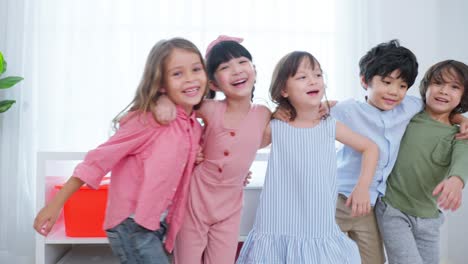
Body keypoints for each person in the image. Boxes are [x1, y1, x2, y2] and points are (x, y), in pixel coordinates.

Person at [274, 40, 468, 264]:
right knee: (318, 253)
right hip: (337, 199)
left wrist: (460, 118)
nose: (394, 92)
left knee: (374, 260)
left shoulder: (411, 107)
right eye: (386, 82)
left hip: (371, 206)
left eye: (403, 86)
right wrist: (282, 110)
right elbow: (311, 108)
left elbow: (441, 110)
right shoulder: (348, 110)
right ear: (365, 81)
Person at [33, 37, 207, 264]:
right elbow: (96, 161)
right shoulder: (149, 120)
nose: (190, 79)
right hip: (132, 225)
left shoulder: (193, 127)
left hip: (159, 223)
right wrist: (55, 205)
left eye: (196, 69)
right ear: (161, 84)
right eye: (177, 73)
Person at [236, 51, 379, 263]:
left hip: (317, 222)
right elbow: (240, 150)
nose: (313, 80)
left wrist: (362, 187)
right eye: (302, 77)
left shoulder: (329, 125)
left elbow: (370, 148)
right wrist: (237, 173)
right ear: (284, 89)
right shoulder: (276, 125)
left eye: (318, 75)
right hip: (277, 222)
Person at [154, 35, 271, 264]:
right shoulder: (209, 108)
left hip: (229, 208)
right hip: (194, 202)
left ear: (254, 70)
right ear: (214, 84)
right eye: (225, 67)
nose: (236, 70)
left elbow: (293, 122)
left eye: (242, 62)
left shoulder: (264, 114)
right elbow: (177, 112)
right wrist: (164, 101)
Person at [376, 60, 468, 264]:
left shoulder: (460, 134)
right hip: (394, 208)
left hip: (429, 218)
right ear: (426, 86)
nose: (444, 91)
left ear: (463, 96)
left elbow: (463, 159)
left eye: (454, 87)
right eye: (438, 83)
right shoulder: (409, 115)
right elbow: (372, 108)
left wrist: (456, 180)